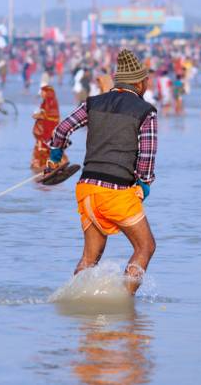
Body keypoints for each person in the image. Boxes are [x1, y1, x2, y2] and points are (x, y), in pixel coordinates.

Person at [47, 49, 157, 295]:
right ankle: (124, 303)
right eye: (146, 81)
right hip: (116, 190)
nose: (147, 85)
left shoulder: (92, 103)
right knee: (146, 246)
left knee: (89, 258)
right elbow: (147, 156)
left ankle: (76, 305)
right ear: (139, 83)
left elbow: (61, 129)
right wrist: (145, 184)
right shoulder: (145, 111)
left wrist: (55, 155)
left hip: (86, 190)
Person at [31, 84, 62, 170]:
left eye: (42, 92)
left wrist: (37, 116)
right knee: (42, 147)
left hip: (48, 131)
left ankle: (44, 166)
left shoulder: (51, 102)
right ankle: (41, 167)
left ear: (47, 93)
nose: (41, 94)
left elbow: (48, 115)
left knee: (44, 148)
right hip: (43, 131)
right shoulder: (45, 102)